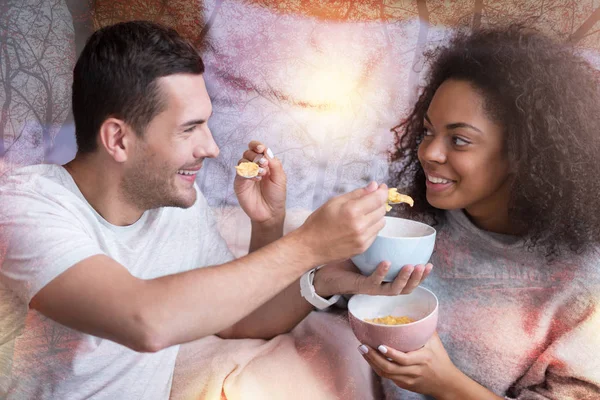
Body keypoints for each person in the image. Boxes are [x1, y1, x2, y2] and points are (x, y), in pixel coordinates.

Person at [0, 21, 433, 399]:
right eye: (190, 129)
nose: (211, 148)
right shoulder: (24, 207)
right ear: (117, 139)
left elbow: (239, 318)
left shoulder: (174, 208)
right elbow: (145, 320)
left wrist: (290, 244)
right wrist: (307, 244)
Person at [357, 26, 600, 399]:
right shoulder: (406, 226)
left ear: (524, 154)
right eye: (426, 132)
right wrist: (268, 221)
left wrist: (444, 383)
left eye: (459, 139)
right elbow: (291, 304)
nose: (429, 153)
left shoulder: (585, 286)